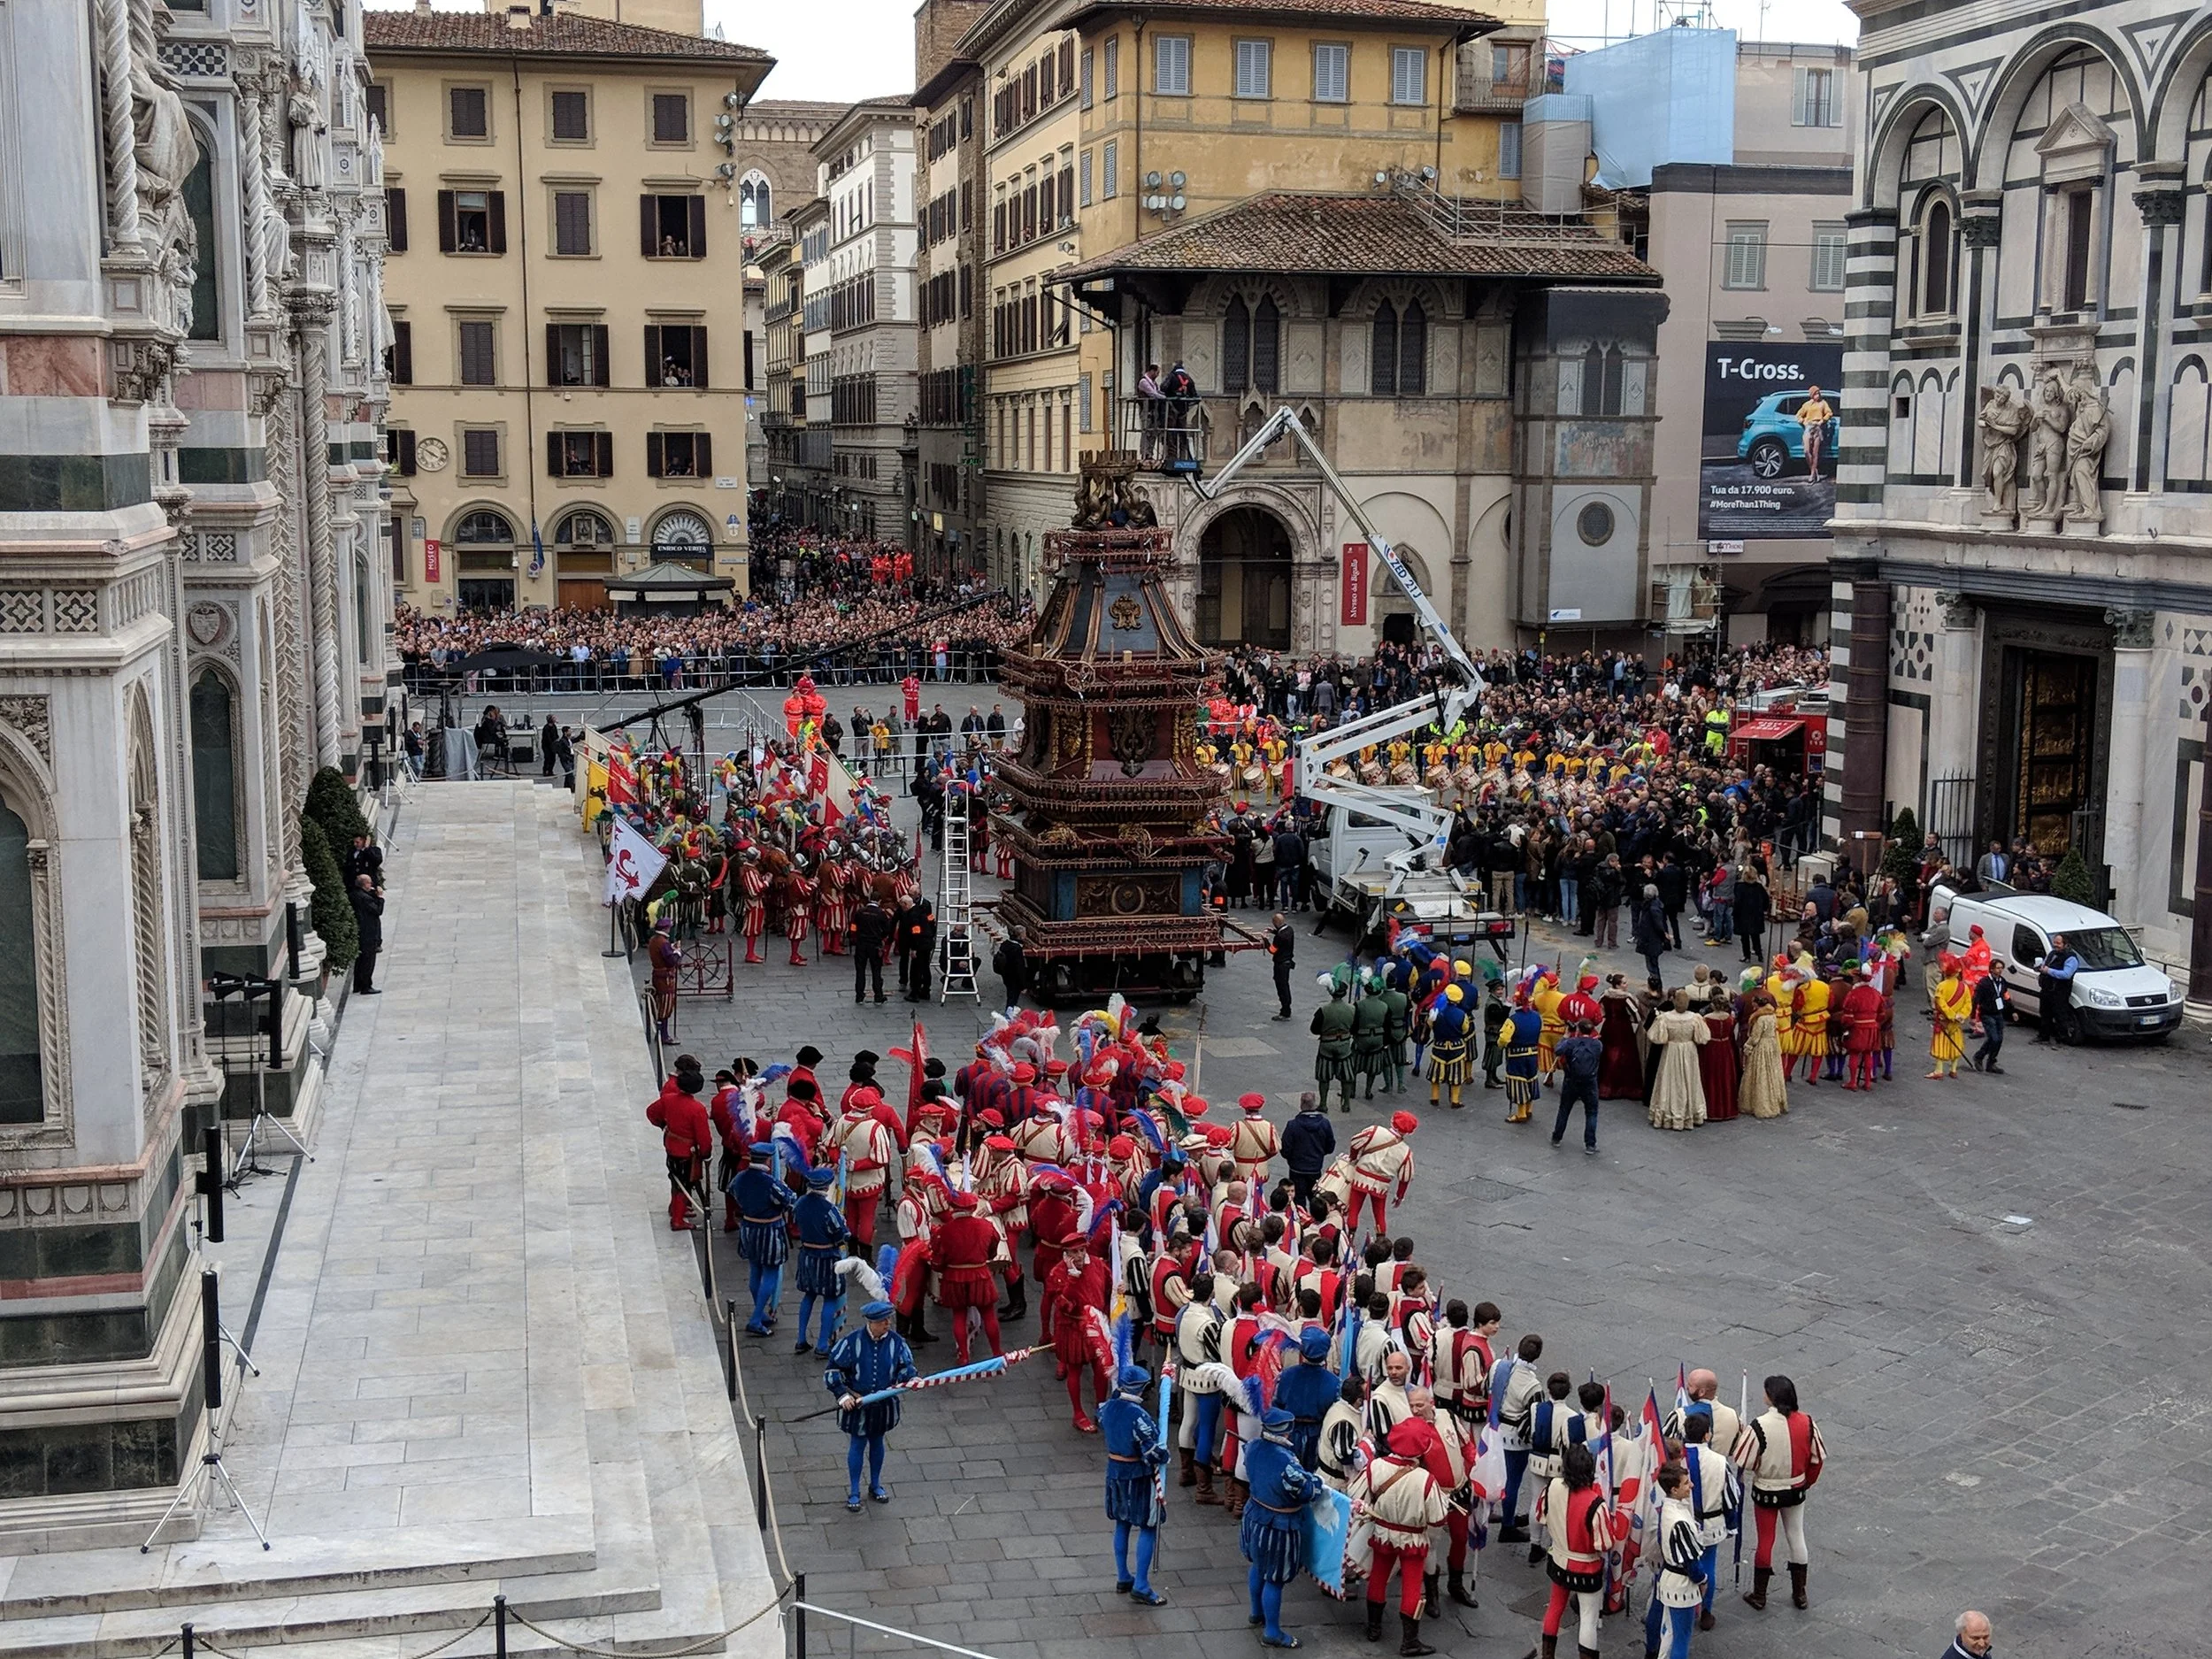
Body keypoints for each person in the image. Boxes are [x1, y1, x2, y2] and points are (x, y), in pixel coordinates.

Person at [1732, 1373, 1826, 1612]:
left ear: (1771, 1397)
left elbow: (1745, 1460)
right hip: (1796, 1489)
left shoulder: (1759, 1425)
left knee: (1766, 1541)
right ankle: (1800, 1594)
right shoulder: (1807, 1422)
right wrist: (1806, 1483)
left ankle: (1760, 1595)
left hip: (1766, 1491)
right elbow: (1817, 1460)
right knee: (1796, 1536)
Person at [1356, 1417, 1448, 1656]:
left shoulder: (1375, 1467)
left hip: (1383, 1533)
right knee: (1411, 1586)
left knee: (1378, 1577)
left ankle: (1374, 1628)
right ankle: (1410, 1641)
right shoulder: (1425, 1479)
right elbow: (1438, 1519)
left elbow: (1356, 1495)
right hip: (1413, 1540)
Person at [824, 1300, 917, 1512]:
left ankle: (875, 1485)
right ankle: (854, 1491)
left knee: (877, 1443)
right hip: (858, 1406)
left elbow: (906, 1367)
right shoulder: (851, 1342)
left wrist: (911, 1379)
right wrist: (842, 1396)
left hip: (883, 1405)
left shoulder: (897, 1342)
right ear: (871, 1322)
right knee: (857, 1444)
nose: (887, 1324)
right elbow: (832, 1371)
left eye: (888, 1320)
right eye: (883, 1321)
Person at [1241, 1407, 1321, 1649]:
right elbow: (1307, 1492)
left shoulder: (1253, 1446)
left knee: (1258, 1565)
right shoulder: (1285, 1460)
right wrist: (1315, 1481)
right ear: (1287, 1431)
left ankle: (1256, 1613)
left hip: (1255, 1514)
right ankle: (1272, 1631)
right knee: (1274, 1578)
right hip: (1278, 1525)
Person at [1100, 1363, 1171, 1605]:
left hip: (1115, 1473)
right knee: (1148, 1525)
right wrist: (1164, 1455)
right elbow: (1152, 1452)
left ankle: (1122, 1576)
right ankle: (1141, 1584)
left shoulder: (1108, 1407)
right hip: (1137, 1476)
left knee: (1122, 1523)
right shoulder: (1138, 1415)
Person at [1538, 1442, 1615, 1659]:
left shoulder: (1551, 1488)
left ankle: (1547, 1656)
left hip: (1559, 1560)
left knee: (1554, 1608)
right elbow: (1605, 1543)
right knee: (1588, 1619)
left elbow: (1541, 1517)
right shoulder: (1596, 1504)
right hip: (1587, 1568)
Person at [729, 1141, 794, 1333]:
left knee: (755, 1270)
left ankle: (760, 1313)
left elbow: (733, 1192)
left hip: (748, 1227)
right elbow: (788, 1200)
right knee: (771, 1273)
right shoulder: (770, 1183)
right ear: (768, 1160)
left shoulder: (740, 1178)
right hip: (769, 1230)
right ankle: (756, 1318)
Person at [1642, 1462, 1706, 1659]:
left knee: (1668, 1633)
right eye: (1686, 1483)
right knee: (1681, 1637)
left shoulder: (1667, 1510)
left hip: (1669, 1577)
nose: (1692, 1486)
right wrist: (1703, 1580)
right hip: (1681, 1584)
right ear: (1674, 1489)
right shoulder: (1679, 1521)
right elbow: (1691, 1563)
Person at [646, 1060, 714, 1233]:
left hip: (671, 1144)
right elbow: (703, 1136)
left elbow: (651, 1112)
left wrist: (663, 1125)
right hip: (687, 1152)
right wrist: (705, 1153)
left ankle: (676, 1208)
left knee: (676, 1179)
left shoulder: (668, 1099)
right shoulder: (697, 1108)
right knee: (683, 1183)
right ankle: (677, 1219)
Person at [791, 1166, 851, 1356]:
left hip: (807, 1254)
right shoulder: (829, 1209)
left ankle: (801, 1339)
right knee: (830, 1298)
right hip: (827, 1258)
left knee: (808, 1296)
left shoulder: (800, 1203)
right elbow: (841, 1233)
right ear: (826, 1186)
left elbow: (794, 1220)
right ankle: (823, 1344)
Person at [1647, 987, 1709, 1131]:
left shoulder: (1664, 1018)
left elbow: (1657, 1037)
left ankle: (1667, 1114)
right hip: (1689, 1051)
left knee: (1669, 1080)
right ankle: (1690, 1113)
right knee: (1689, 1079)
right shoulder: (1695, 1018)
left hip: (1671, 1051)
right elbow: (1702, 1038)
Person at [1549, 1016, 1602, 1154]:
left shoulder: (1572, 1043)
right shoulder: (1597, 1045)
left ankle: (1557, 1137)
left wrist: (1566, 1036)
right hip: (1590, 1083)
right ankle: (1590, 1144)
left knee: (1564, 1109)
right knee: (1591, 1112)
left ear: (1578, 1030)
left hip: (1571, 1080)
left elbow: (1558, 1051)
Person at [1311, 973, 1358, 1112]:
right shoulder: (1352, 1009)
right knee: (1346, 1076)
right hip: (1344, 1044)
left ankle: (1323, 1103)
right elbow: (1355, 1028)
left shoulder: (1323, 1010)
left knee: (1324, 1077)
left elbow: (1314, 1029)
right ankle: (1346, 1103)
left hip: (1326, 1045)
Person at [1281, 1092, 1334, 1207]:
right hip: (1315, 1168)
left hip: (1296, 1169)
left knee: (1298, 1201)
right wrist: (1320, 1153)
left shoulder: (1293, 1125)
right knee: (1316, 1199)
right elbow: (1330, 1147)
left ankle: (1300, 1222)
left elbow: (1285, 1149)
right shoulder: (1325, 1124)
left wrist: (1292, 1158)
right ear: (1314, 1104)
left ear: (1301, 1104)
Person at [1427, 982, 1474, 1110]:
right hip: (1456, 1046)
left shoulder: (1436, 1012)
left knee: (1436, 1074)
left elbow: (1430, 1024)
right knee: (1456, 1074)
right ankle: (1455, 1100)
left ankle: (1435, 1097)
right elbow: (1465, 1029)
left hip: (1439, 1045)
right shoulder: (1462, 1014)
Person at [1929, 955, 1971, 1079]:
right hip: (1957, 1023)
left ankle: (1939, 1070)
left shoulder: (1941, 986)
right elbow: (1968, 1004)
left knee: (1940, 1044)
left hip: (1944, 1021)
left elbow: (1940, 1004)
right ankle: (1953, 1070)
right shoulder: (1965, 987)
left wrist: (1950, 1015)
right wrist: (1960, 1016)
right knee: (1956, 1045)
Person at [2033, 933, 2078, 1042]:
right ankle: (2043, 1037)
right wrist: (2039, 968)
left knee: (2060, 1015)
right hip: (2046, 990)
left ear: (2066, 944)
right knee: (2044, 1014)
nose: (2055, 945)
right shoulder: (2052, 954)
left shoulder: (2071, 958)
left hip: (2060, 992)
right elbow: (2045, 964)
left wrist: (2049, 971)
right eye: (2054, 942)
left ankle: (2062, 1039)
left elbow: (2066, 974)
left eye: (2058, 943)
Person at [850, 891, 893, 1003]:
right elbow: (887, 930)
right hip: (875, 944)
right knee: (876, 971)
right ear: (879, 901)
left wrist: (854, 937)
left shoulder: (860, 912)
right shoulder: (881, 914)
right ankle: (878, 996)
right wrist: (881, 937)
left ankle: (859, 996)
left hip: (861, 944)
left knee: (860, 971)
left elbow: (853, 927)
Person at [1970, 956, 2010, 1073]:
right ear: (1991, 969)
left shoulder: (2002, 981)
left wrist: (2012, 1011)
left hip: (1998, 1013)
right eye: (1998, 968)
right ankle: (1979, 1056)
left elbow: (2005, 996)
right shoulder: (1984, 983)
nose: (2000, 970)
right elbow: (1976, 999)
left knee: (1999, 1039)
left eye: (2001, 968)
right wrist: (1973, 1015)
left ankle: (1991, 1062)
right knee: (1993, 1038)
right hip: (1987, 1013)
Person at [648, 916, 683, 1043]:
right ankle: (664, 1035)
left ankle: (661, 1033)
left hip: (657, 975)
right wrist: (677, 951)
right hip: (665, 979)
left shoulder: (654, 940)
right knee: (665, 1007)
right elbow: (671, 960)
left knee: (660, 1005)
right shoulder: (662, 942)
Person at [349, 873, 385, 995]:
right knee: (368, 960)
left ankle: (358, 985)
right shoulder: (365, 898)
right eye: (369, 883)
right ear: (364, 885)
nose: (371, 885)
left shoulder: (354, 894)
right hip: (368, 932)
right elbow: (377, 911)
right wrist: (380, 898)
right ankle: (366, 986)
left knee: (360, 960)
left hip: (361, 931)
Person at [1633, 883, 1671, 982]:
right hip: (1650, 939)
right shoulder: (1652, 905)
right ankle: (1655, 984)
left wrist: (1663, 935)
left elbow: (1658, 925)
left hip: (1651, 940)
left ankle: (1656, 985)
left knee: (1652, 965)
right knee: (1652, 964)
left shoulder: (1652, 908)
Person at [1269, 911, 1296, 1019]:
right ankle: (1287, 1008)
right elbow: (1283, 936)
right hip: (1288, 962)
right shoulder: (1289, 930)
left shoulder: (1279, 937)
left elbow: (1272, 950)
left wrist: (1265, 941)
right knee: (1286, 985)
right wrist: (1274, 932)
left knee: (1281, 987)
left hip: (1280, 964)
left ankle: (1285, 1011)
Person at [995, 927, 1029, 1008]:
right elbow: (1019, 968)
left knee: (1010, 995)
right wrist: (1023, 985)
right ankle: (1009, 1015)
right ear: (1020, 936)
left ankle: (1009, 1013)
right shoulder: (1017, 949)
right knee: (1013, 998)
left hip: (1006, 975)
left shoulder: (1005, 944)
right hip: (1014, 978)